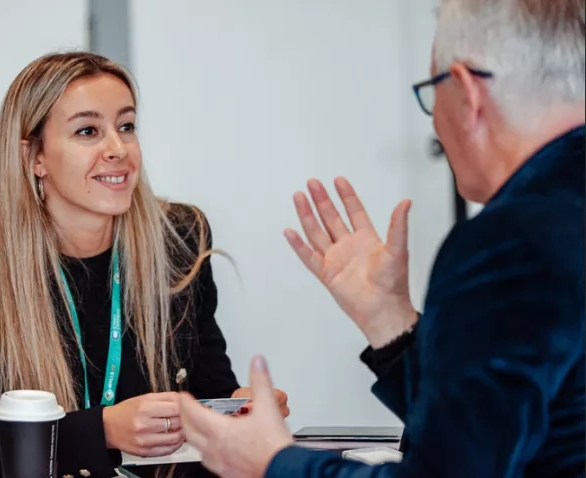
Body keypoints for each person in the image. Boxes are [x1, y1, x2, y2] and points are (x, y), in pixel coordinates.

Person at [178, 0, 585, 476]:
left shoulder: (511, 242)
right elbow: (491, 431)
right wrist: (390, 323)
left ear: (468, 92)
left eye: (433, 91)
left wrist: (273, 462)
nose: (433, 121)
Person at [0, 52, 290, 478]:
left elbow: (206, 391)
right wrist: (102, 431)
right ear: (34, 156)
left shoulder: (178, 240)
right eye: (88, 131)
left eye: (126, 127)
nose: (118, 149)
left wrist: (237, 411)